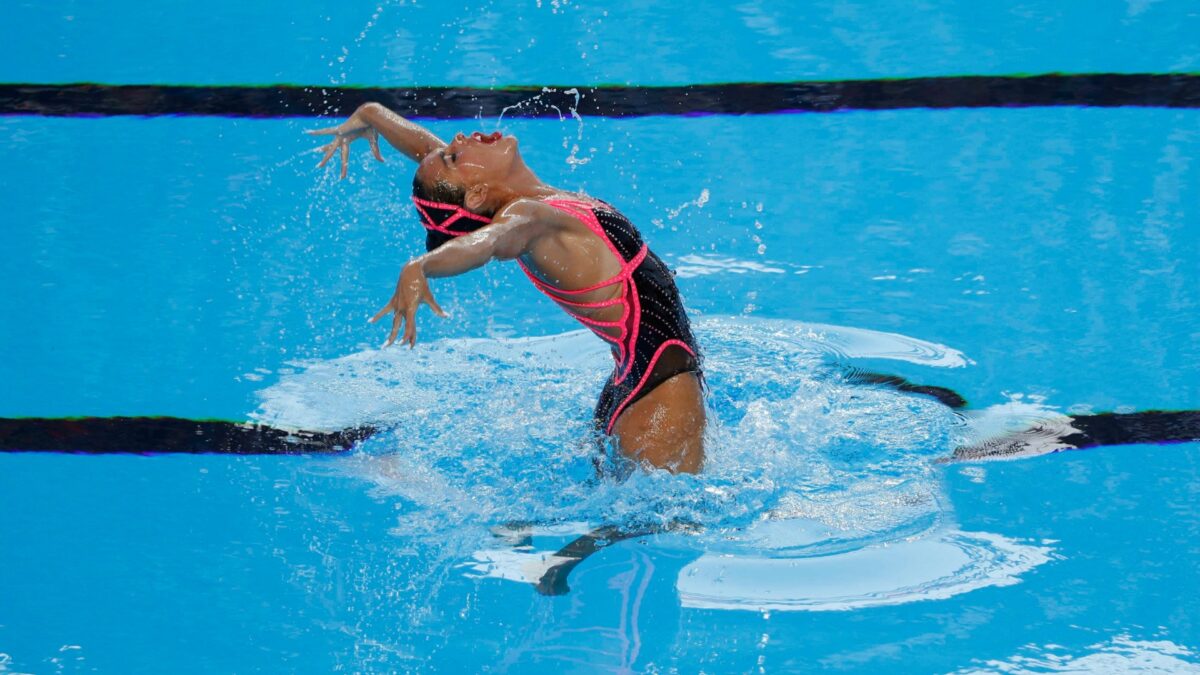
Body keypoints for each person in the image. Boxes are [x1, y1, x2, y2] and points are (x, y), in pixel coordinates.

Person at [307, 102, 706, 473]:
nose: (458, 140)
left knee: (623, 520)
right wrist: (422, 266)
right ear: (479, 193)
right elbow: (490, 241)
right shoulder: (528, 218)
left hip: (631, 382)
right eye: (453, 156)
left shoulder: (523, 198)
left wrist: (372, 114)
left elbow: (428, 153)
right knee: (661, 530)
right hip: (660, 392)